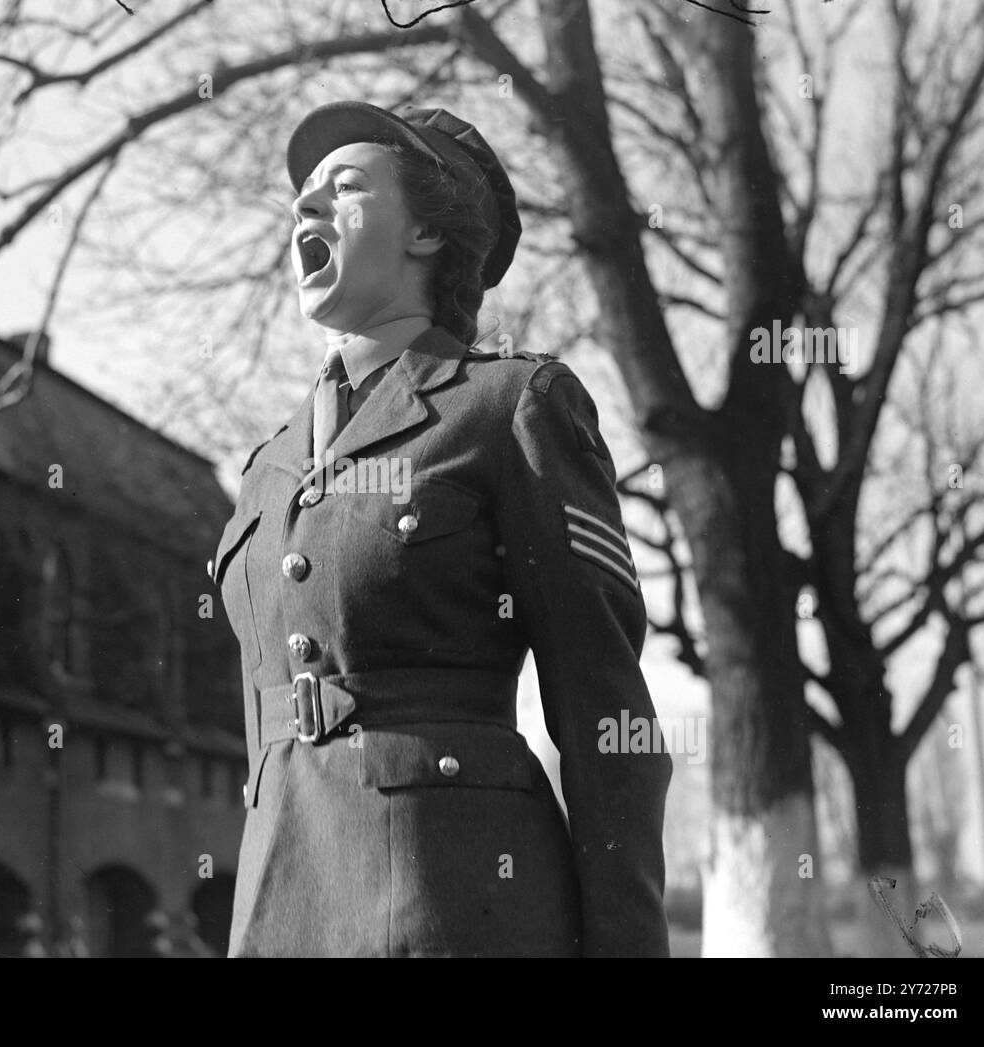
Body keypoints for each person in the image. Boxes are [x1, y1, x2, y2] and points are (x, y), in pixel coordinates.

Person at [211, 100, 671, 957]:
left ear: (426, 230)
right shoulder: (265, 470)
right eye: (303, 194)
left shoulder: (509, 408)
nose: (305, 207)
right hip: (280, 913)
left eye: (345, 186)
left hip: (462, 909)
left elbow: (607, 716)